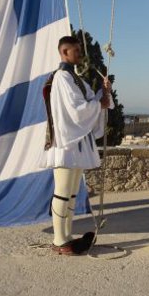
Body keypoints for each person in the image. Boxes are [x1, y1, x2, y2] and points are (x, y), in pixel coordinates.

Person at [42, 36, 113, 256]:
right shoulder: (62, 78)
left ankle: (67, 235)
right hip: (65, 143)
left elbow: (91, 102)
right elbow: (76, 109)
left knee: (72, 192)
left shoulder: (77, 79)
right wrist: (98, 103)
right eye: (76, 50)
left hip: (77, 143)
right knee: (63, 191)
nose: (80, 53)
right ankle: (59, 239)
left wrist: (105, 92)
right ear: (64, 52)